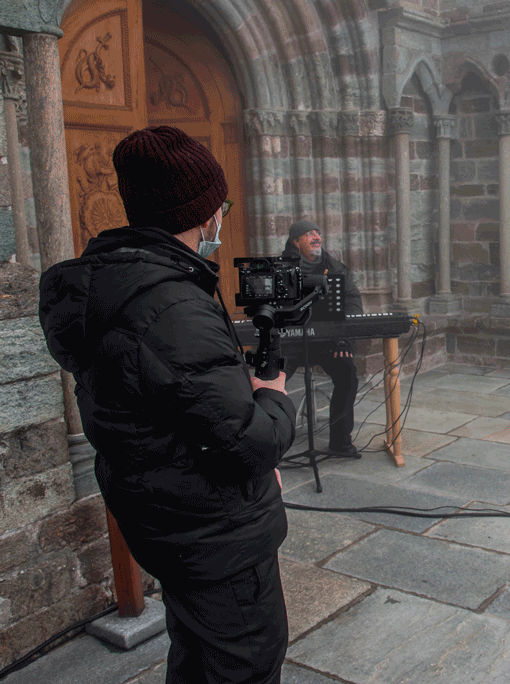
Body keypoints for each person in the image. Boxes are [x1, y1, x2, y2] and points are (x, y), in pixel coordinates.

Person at [38, 125, 296, 684]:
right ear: (205, 216)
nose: (220, 219)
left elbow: (172, 404)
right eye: (219, 206)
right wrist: (272, 396)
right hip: (214, 536)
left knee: (199, 656)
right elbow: (247, 439)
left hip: (165, 521)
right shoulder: (170, 302)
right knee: (243, 663)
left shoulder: (113, 283)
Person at [281, 220, 363, 456]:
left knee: (347, 375)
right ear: (296, 242)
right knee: (270, 380)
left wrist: (344, 341)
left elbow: (352, 305)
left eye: (317, 231)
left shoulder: (335, 268)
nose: (316, 236)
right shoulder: (281, 268)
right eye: (308, 234)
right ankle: (269, 444)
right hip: (291, 342)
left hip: (329, 342)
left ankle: (340, 442)